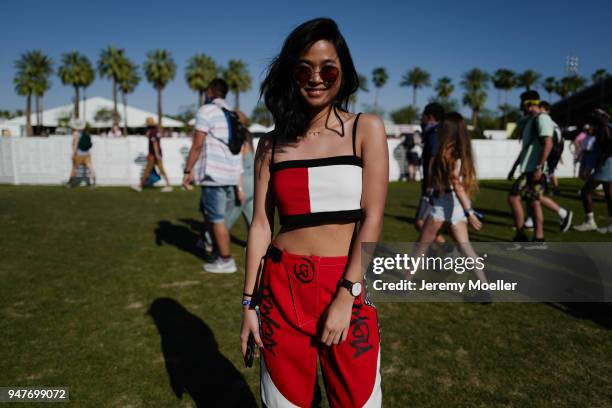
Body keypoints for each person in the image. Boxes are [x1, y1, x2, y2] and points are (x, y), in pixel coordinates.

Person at [240, 18, 385, 407]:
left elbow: (372, 218)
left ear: (344, 72)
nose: (316, 77)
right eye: (304, 68)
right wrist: (248, 304)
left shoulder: (365, 129)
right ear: (291, 73)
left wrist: (347, 295)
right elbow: (260, 226)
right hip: (280, 291)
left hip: (346, 284)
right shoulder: (271, 144)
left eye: (328, 68)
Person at [413, 112, 489, 299]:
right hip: (454, 206)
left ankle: (404, 283)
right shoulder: (462, 151)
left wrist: (469, 212)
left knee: (421, 246)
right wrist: (467, 210)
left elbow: (456, 184)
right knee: (466, 249)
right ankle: (485, 289)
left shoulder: (447, 152)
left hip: (443, 205)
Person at [182, 79, 245, 273]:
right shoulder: (233, 114)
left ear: (210, 91)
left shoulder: (206, 111)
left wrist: (187, 170)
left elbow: (197, 144)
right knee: (211, 214)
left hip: (214, 174)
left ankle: (225, 260)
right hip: (230, 174)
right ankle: (212, 247)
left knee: (216, 218)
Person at [507, 91, 569, 248]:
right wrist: (514, 167)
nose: (521, 107)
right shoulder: (532, 120)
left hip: (535, 169)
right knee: (533, 202)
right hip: (529, 168)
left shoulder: (542, 119)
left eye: (523, 103)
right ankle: (537, 239)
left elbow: (547, 142)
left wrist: (539, 167)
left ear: (528, 103)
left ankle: (523, 236)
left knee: (515, 198)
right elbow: (527, 148)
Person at [517, 101, 573, 232]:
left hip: (538, 167)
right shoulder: (543, 121)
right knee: (533, 197)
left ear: (542, 108)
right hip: (539, 167)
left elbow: (549, 144)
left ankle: (562, 213)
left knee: (531, 196)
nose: (528, 109)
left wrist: (540, 167)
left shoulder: (544, 120)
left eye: (531, 106)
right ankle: (535, 227)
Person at [574, 108, 612, 232]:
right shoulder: (605, 126)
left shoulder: (604, 127)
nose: (593, 117)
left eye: (595, 115)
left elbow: (608, 146)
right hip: (608, 163)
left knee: (585, 191)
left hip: (606, 164)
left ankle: (590, 222)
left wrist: (601, 159)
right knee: (609, 195)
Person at [415, 103, 446, 244]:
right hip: (435, 183)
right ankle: (445, 252)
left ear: (431, 117)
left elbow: (433, 158)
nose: (422, 119)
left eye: (424, 116)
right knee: (427, 223)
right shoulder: (438, 132)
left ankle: (450, 252)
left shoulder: (434, 134)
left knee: (420, 222)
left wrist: (429, 183)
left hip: (432, 185)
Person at [225, 111, 255, 230]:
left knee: (229, 217)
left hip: (244, 185)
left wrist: (239, 189)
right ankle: (208, 239)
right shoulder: (248, 139)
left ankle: (208, 240)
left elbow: (238, 167)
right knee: (252, 220)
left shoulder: (239, 139)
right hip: (250, 185)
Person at [131, 117, 173, 193]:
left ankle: (140, 186)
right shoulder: (156, 131)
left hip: (153, 155)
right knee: (158, 170)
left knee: (148, 170)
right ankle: (168, 185)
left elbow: (154, 143)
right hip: (156, 154)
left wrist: (156, 154)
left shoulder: (152, 132)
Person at [66, 118, 96, 188]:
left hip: (79, 154)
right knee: (90, 167)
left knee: (74, 168)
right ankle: (94, 182)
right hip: (87, 153)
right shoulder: (84, 133)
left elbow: (76, 144)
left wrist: (73, 154)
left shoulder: (76, 133)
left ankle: (70, 182)